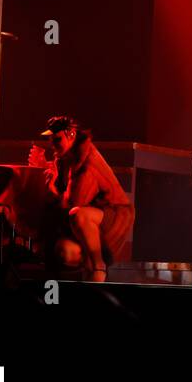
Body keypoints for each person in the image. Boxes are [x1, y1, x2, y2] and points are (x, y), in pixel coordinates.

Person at [28, 116, 134, 282]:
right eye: (51, 140)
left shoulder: (87, 162)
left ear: (70, 135)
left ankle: (98, 267)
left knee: (78, 214)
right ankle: (89, 268)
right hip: (86, 221)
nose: (53, 145)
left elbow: (73, 203)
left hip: (111, 215)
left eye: (57, 140)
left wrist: (48, 176)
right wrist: (46, 169)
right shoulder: (64, 158)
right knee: (62, 250)